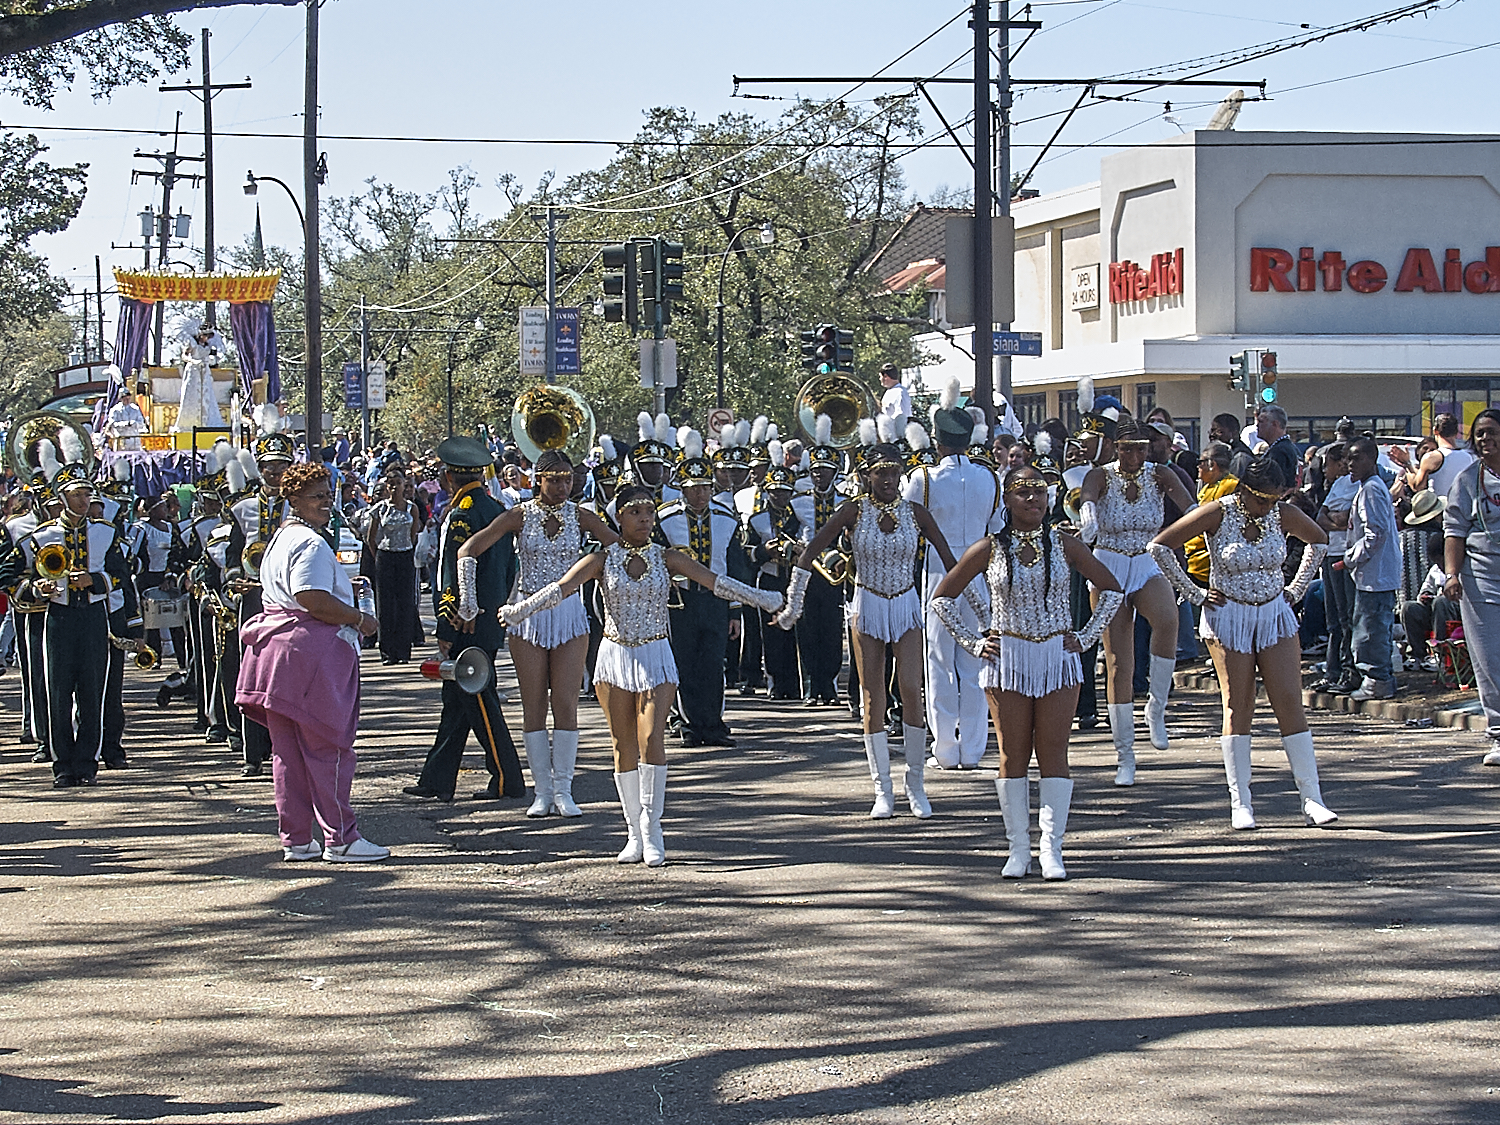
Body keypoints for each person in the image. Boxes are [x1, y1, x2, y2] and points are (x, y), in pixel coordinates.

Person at [499, 484, 782, 866]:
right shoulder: (601, 559)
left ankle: (652, 828)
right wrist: (520, 610)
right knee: (623, 745)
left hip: (655, 654)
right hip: (614, 657)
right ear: (619, 518)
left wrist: (762, 599)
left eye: (649, 512)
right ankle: (633, 831)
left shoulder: (668, 557)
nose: (645, 520)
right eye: (635, 513)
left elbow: (716, 582)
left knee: (651, 738)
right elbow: (561, 589)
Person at [929, 467, 1123, 879]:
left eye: (1039, 491)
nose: (1033, 498)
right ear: (1007, 500)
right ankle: (1018, 849)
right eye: (1022, 491)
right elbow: (942, 599)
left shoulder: (1066, 544)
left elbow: (1111, 590)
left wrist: (1086, 636)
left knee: (1054, 751)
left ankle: (1052, 849)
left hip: (1056, 659)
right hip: (1008, 662)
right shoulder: (988, 548)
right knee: (1012, 754)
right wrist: (975, 642)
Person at [776, 436, 959, 819]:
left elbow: (952, 564)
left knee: (911, 690)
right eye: (880, 473)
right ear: (866, 475)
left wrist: (976, 609)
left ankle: (916, 783)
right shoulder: (852, 511)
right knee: (873, 696)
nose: (888, 479)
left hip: (906, 604)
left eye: (894, 472)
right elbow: (809, 553)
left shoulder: (916, 513)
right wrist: (794, 604)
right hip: (868, 604)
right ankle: (882, 789)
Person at [1151, 458, 1336, 830]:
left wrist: (1296, 589)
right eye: (1262, 499)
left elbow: (1319, 540)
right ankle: (1241, 802)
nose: (1268, 508)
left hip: (1274, 613)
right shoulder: (1217, 512)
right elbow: (1160, 547)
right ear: (1244, 491)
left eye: (1274, 500)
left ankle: (1312, 798)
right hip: (1228, 615)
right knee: (1238, 704)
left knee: (1289, 700)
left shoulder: (1281, 513)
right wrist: (1194, 593)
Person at [235, 462, 387, 862]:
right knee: (328, 748)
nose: (326, 503)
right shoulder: (311, 543)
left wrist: (340, 589)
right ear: (294, 500)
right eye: (316, 496)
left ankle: (297, 839)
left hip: (274, 655)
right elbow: (310, 598)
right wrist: (358, 617)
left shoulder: (280, 538)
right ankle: (341, 839)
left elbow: (299, 591)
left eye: (328, 494)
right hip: (309, 656)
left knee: (287, 754)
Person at [455, 449, 619, 815]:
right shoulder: (518, 515)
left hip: (569, 615)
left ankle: (564, 790)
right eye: (554, 479)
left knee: (566, 703)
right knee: (534, 705)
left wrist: (607, 581)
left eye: (567, 479)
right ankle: (542, 792)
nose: (562, 486)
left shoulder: (582, 516)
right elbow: (468, 549)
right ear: (537, 480)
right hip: (527, 615)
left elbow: (620, 551)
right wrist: (468, 601)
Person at [1077, 414, 1196, 784]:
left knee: (1168, 620)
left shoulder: (1160, 474)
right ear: (1116, 447)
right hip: (1109, 562)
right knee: (1119, 662)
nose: (1135, 457)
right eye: (1128, 449)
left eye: (1141, 449)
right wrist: (1088, 519)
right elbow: (1087, 499)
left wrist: (1186, 534)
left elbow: (1190, 509)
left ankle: (1156, 707)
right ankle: (1125, 755)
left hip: (1145, 559)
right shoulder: (1100, 475)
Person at [405, 437, 525, 804]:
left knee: (479, 700)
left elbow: (451, 573)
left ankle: (507, 778)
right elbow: (510, 567)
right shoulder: (495, 508)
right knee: (456, 703)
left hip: (466, 620)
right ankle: (437, 778)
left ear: (447, 478)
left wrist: (446, 624)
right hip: (487, 616)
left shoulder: (461, 513)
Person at [904, 380, 1002, 771]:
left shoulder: (923, 479)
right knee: (976, 660)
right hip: (979, 571)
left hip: (938, 573)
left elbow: (910, 526)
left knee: (939, 659)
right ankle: (973, 749)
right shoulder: (990, 478)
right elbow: (997, 527)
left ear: (937, 441)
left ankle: (945, 747)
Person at [16, 461, 128, 788]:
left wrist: (95, 580)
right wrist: (37, 588)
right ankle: (62, 764)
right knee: (58, 692)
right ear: (62, 498)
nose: (83, 500)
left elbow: (122, 573)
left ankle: (87, 763)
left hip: (93, 617)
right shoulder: (41, 536)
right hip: (58, 619)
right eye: (76, 494)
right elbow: (15, 576)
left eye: (86, 494)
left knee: (93, 692)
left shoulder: (106, 532)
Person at [653, 435, 751, 747]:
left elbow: (734, 567)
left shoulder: (726, 518)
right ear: (681, 489)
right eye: (693, 488)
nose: (700, 494)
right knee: (683, 662)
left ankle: (713, 723)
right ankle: (688, 724)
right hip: (679, 602)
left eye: (705, 487)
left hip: (716, 601)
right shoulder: (664, 518)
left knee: (713, 662)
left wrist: (735, 611)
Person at [1442, 408, 1500, 765]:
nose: (1485, 439)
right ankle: (1499, 733)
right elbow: (1454, 531)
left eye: (1492, 432)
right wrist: (1452, 575)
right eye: (1479, 434)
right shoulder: (1467, 479)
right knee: (1489, 660)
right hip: (1481, 580)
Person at [1344, 436, 1400, 701]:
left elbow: (1375, 533)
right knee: (1372, 626)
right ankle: (1379, 676)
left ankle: (1377, 679)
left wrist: (1350, 558)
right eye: (1348, 459)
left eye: (1357, 458)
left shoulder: (1371, 490)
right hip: (1373, 574)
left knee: (1370, 629)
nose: (1350, 464)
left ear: (1372, 459)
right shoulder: (1369, 488)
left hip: (1375, 575)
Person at [1312, 443, 1358, 694]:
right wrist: (1336, 521)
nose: (1324, 470)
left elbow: (1351, 519)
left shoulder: (1362, 486)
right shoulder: (1337, 486)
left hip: (1347, 555)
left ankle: (1349, 670)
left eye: (1328, 464)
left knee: (1346, 615)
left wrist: (1340, 520)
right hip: (1331, 553)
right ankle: (1332, 671)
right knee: (1333, 618)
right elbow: (1321, 518)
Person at [366, 466, 423, 665]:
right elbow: (371, 537)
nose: (394, 488)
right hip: (385, 556)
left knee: (405, 603)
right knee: (386, 604)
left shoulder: (411, 508)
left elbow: (413, 534)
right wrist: (378, 555)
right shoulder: (380, 509)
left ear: (404, 485)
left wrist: (407, 548)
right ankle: (387, 651)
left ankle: (403, 650)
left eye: (398, 484)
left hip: (405, 555)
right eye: (391, 485)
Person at [1402, 532, 1458, 671]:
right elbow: (1425, 589)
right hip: (1434, 612)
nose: (1440, 566)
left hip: (1455, 612)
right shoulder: (1435, 571)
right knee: (1409, 607)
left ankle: (1440, 654)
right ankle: (1417, 654)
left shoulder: (1461, 568)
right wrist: (1425, 596)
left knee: (1441, 602)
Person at [1185, 442, 1238, 585]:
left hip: (1211, 563)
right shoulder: (1207, 487)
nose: (1198, 467)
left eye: (1200, 462)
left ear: (1212, 464)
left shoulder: (1231, 485)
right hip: (1194, 560)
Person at [1390, 413, 1474, 500]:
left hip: (1439, 506)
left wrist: (1407, 464)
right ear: (1456, 432)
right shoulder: (1468, 457)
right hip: (1460, 505)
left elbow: (1417, 487)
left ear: (1435, 430)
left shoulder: (1431, 457)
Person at [1255, 404, 1300, 491]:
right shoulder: (1291, 448)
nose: (1257, 425)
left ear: (1275, 424)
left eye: (1261, 422)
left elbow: (1273, 485)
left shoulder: (1279, 451)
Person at [878, 364, 911, 428]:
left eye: (880, 376)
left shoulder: (900, 392)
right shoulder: (889, 392)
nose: (879, 379)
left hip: (895, 431)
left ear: (885, 376)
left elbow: (902, 416)